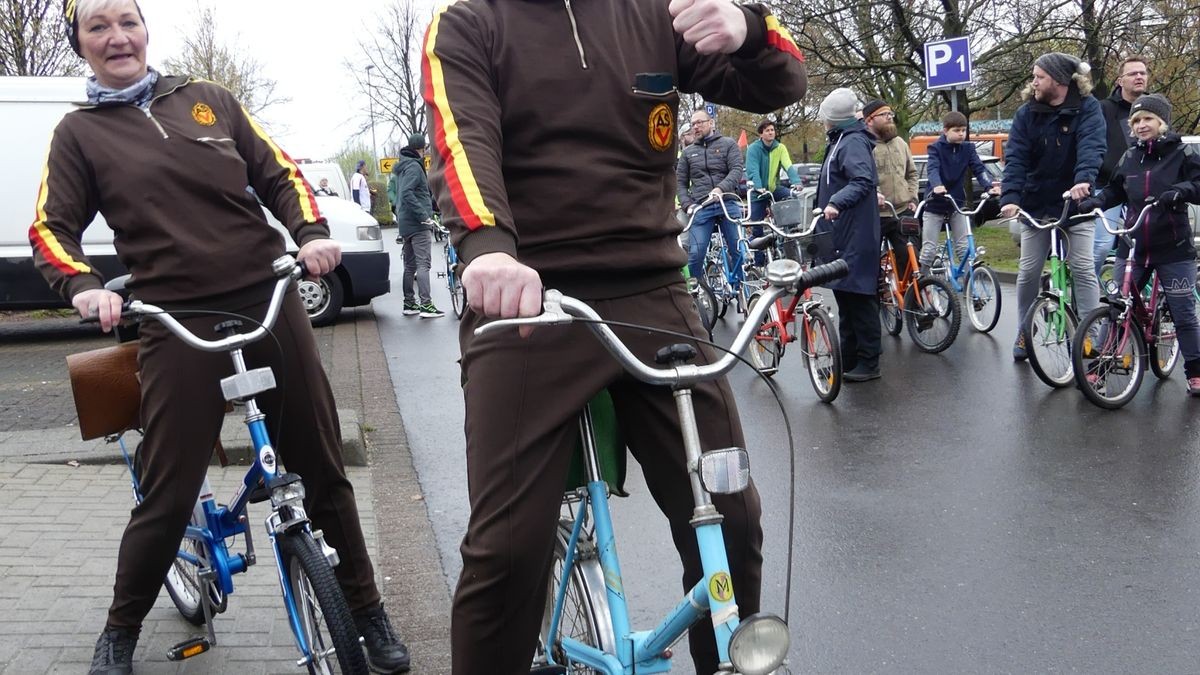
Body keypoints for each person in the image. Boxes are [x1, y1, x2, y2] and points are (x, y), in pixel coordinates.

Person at [421, 0, 807, 672]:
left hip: (652, 291)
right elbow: (461, 140)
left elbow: (777, 83)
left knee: (731, 512)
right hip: (526, 298)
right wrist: (486, 247)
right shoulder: (469, 22)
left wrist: (747, 27)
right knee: (508, 551)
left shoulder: (652, 12)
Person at [29, 2, 410, 673]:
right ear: (79, 43)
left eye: (128, 20)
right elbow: (50, 230)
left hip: (266, 294)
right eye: (98, 26)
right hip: (175, 315)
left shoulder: (207, 100)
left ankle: (368, 609)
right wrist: (83, 285)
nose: (117, 36)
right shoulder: (79, 134)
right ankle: (120, 628)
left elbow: (280, 174)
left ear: (146, 29)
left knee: (320, 464)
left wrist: (312, 236)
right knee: (171, 487)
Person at [1079, 94, 1200, 394]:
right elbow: (1115, 190)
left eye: (1147, 119)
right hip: (1133, 244)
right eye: (1136, 121)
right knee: (1117, 307)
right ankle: (1098, 369)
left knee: (1183, 313)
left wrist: (1181, 190)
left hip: (1173, 246)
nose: (1142, 125)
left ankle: (1195, 372)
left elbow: (1198, 186)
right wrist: (1096, 201)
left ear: (1161, 122)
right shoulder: (1129, 157)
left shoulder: (1183, 154)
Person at [1000, 52, 1105, 362]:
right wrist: (1010, 198)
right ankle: (1024, 330)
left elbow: (1092, 146)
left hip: (1076, 202)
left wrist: (1084, 180)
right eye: (1034, 76)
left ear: (1059, 80)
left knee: (1084, 269)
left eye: (1039, 76)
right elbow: (1016, 158)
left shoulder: (1088, 108)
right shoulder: (1026, 114)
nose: (1034, 81)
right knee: (1028, 271)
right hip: (1036, 203)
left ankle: (1090, 335)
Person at [815, 88, 882, 382]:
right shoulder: (842, 140)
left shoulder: (852, 142)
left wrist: (835, 202)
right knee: (846, 296)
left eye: (825, 119)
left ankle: (869, 362)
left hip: (855, 232)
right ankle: (850, 359)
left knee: (860, 296)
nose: (823, 123)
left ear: (834, 120)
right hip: (844, 232)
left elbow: (863, 179)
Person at [919, 111, 1000, 272]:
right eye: (957, 130)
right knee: (928, 251)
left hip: (957, 203)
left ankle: (970, 287)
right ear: (945, 131)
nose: (961, 134)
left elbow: (979, 168)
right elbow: (933, 168)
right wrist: (937, 185)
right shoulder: (935, 148)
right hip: (935, 203)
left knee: (964, 249)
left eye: (963, 130)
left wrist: (989, 186)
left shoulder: (968, 148)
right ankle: (922, 283)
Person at [1093, 55, 1151, 278]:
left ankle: (1135, 298)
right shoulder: (1103, 109)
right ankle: (1084, 296)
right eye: (1133, 73)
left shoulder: (1153, 106)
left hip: (1143, 186)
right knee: (1101, 245)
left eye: (1143, 73)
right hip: (1108, 185)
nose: (1139, 77)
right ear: (1120, 80)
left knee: (1146, 244)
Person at [678, 108, 745, 280]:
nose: (696, 127)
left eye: (699, 122)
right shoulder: (687, 153)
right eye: (693, 124)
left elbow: (737, 170)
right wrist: (687, 205)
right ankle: (697, 294)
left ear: (711, 123)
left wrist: (721, 189)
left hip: (727, 202)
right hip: (701, 206)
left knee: (738, 250)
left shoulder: (728, 144)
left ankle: (741, 290)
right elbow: (680, 183)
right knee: (696, 254)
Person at [391, 133, 443, 318]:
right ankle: (426, 305)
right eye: (424, 150)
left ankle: (409, 304)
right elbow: (407, 193)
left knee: (410, 265)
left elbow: (403, 194)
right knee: (423, 264)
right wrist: (424, 215)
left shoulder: (403, 167)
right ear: (420, 150)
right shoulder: (414, 166)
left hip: (405, 222)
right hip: (417, 223)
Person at [863, 99, 919, 257]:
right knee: (870, 263)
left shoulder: (900, 143)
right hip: (876, 215)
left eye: (890, 113)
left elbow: (912, 173)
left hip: (901, 212)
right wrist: (875, 193)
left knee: (911, 259)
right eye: (884, 114)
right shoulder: (865, 145)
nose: (889, 117)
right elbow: (863, 178)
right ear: (869, 120)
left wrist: (912, 198)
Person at [744, 118, 800, 263]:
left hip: (773, 189)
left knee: (791, 198)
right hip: (758, 193)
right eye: (767, 130)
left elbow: (788, 165)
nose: (771, 133)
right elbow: (753, 169)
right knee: (757, 227)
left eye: (772, 130)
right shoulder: (754, 149)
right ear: (761, 134)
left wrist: (796, 182)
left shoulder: (780, 147)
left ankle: (789, 236)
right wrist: (758, 186)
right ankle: (759, 261)